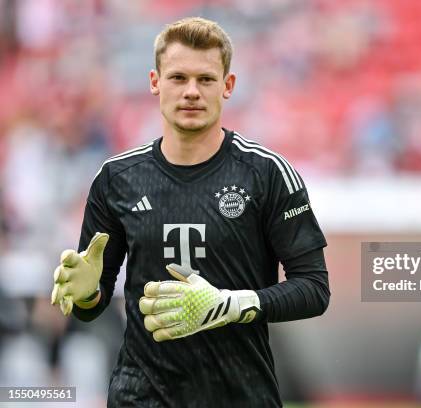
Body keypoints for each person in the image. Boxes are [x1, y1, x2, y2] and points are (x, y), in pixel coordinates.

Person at [50, 17, 330, 407]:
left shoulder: (266, 173)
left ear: (228, 86)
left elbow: (315, 290)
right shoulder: (117, 179)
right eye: (178, 78)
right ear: (155, 82)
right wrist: (84, 296)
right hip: (141, 396)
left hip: (240, 396)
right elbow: (92, 307)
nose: (191, 92)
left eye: (206, 79)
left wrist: (232, 305)